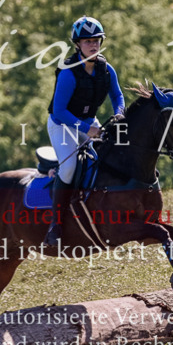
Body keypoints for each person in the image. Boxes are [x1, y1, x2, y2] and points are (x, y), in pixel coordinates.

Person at [45, 16, 125, 246]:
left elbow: (117, 96)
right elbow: (59, 111)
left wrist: (119, 112)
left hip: (89, 123)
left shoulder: (106, 69)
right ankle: (55, 224)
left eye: (96, 40)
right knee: (70, 167)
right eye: (87, 41)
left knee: (106, 158)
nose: (93, 45)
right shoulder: (69, 72)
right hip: (62, 124)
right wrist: (85, 128)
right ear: (77, 44)